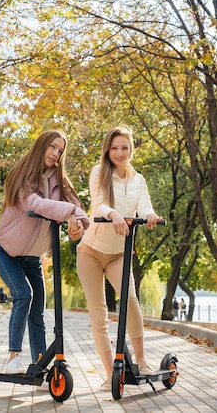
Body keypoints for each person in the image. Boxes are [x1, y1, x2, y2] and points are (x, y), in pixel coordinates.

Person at [0, 129, 90, 375]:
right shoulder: (22, 177)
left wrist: (79, 225)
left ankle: (39, 361)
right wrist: (68, 213)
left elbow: (77, 208)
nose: (56, 153)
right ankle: (14, 357)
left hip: (33, 257)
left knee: (38, 309)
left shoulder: (60, 182)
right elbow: (37, 204)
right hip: (6, 252)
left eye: (60, 150)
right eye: (53, 147)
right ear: (42, 146)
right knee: (23, 296)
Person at [76, 125, 163, 391]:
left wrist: (149, 215)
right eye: (114, 148)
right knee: (98, 313)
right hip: (90, 251)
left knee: (131, 301)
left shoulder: (138, 179)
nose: (119, 153)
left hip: (118, 253)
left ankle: (142, 360)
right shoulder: (99, 172)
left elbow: (145, 204)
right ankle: (109, 374)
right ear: (107, 149)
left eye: (124, 148)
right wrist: (113, 215)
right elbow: (98, 203)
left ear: (131, 150)